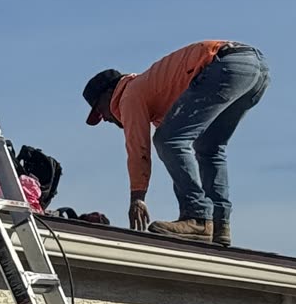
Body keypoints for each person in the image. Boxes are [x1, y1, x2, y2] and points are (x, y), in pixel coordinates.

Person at [81, 41, 268, 248]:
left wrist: (137, 197)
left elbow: (138, 150)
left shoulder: (129, 95)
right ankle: (218, 223)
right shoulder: (154, 91)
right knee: (208, 147)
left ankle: (197, 217)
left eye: (100, 110)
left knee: (167, 140)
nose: (105, 119)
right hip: (254, 70)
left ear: (109, 94)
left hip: (223, 65)